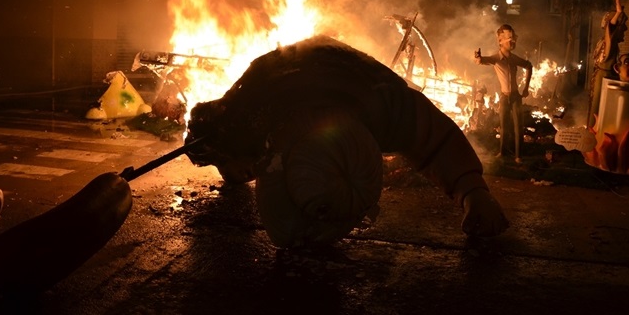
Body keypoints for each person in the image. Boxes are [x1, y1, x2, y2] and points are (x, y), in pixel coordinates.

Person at [185, 35, 509, 248]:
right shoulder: (264, 103)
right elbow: (424, 126)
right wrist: (471, 190)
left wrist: (473, 192)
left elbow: (423, 128)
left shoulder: (371, 103)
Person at [474, 24, 533, 164]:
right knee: (504, 126)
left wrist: (526, 88)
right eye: (509, 38)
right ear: (500, 40)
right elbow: (482, 61)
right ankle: (503, 152)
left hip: (516, 97)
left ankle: (518, 155)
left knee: (518, 127)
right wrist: (478, 58)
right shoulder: (496, 58)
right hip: (504, 96)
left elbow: (529, 66)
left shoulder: (514, 59)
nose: (512, 41)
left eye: (513, 38)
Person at [588, 0, 628, 127]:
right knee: (598, 104)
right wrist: (618, 12)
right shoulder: (607, 41)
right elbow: (610, 27)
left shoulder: (610, 43)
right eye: (622, 27)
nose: (625, 30)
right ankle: (594, 129)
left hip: (607, 75)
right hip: (603, 76)